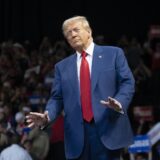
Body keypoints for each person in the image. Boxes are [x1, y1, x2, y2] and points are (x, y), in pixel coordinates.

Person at [26, 15, 135, 160]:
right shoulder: (61, 67)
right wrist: (47, 116)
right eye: (68, 33)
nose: (72, 34)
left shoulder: (113, 54)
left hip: (108, 128)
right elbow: (57, 98)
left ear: (89, 31)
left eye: (76, 29)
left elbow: (127, 82)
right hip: (77, 136)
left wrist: (119, 102)